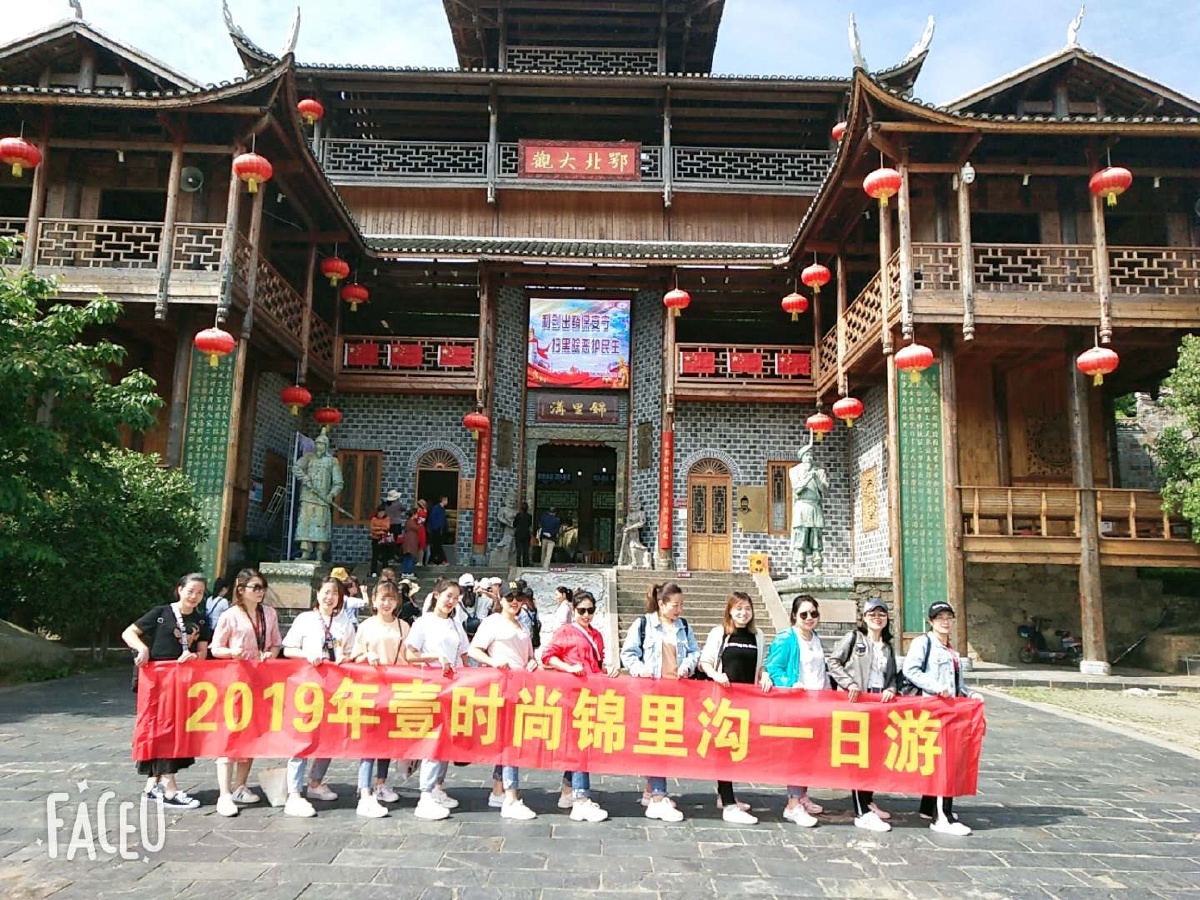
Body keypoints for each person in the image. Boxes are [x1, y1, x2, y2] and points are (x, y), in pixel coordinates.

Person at [122, 572, 211, 810]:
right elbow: (129, 633)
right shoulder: (161, 612)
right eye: (190, 591)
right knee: (161, 730)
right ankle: (170, 788)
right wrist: (142, 649)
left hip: (184, 683)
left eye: (200, 593)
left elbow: (203, 652)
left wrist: (194, 657)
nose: (194, 596)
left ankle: (152, 786)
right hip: (158, 683)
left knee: (175, 731)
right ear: (179, 589)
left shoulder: (202, 620)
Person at [620, 582, 700, 822]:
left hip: (676, 693)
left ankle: (651, 791)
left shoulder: (684, 626)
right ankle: (658, 796)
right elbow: (628, 653)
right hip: (651, 694)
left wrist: (687, 666)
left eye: (682, 605)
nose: (679, 610)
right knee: (658, 743)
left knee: (665, 744)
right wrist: (640, 669)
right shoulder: (643, 624)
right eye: (675, 605)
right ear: (661, 604)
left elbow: (695, 652)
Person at [903, 601, 983, 837]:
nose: (945, 622)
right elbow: (911, 670)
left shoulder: (951, 651)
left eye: (949, 617)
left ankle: (928, 808)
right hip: (933, 711)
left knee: (941, 761)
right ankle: (942, 816)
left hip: (950, 712)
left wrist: (970, 694)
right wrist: (936, 687)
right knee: (944, 764)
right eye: (940, 618)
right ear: (930, 621)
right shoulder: (923, 643)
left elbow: (957, 684)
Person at [279, 576, 357, 817]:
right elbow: (287, 649)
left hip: (334, 687)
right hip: (307, 686)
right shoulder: (305, 619)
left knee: (329, 736)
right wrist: (307, 654)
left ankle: (315, 782)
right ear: (318, 594)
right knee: (302, 737)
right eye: (326, 592)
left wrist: (345, 658)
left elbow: (352, 651)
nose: (329, 597)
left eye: (335, 593)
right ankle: (294, 793)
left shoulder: (345, 622)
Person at [209, 568, 282, 817]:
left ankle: (241, 785)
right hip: (235, 680)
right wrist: (232, 653)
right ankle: (224, 792)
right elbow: (216, 648)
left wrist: (270, 654)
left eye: (263, 587)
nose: (260, 592)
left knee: (252, 734)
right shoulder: (230, 615)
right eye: (255, 587)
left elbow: (276, 643)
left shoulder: (269, 613)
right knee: (230, 733)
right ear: (241, 590)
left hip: (260, 679)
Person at [540, 590, 618, 822]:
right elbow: (548, 656)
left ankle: (568, 791)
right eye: (582, 610)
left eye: (590, 610)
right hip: (572, 696)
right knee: (579, 746)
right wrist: (569, 668)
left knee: (582, 745)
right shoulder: (565, 631)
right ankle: (581, 798)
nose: (586, 615)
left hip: (591, 695)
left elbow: (598, 663)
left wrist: (608, 671)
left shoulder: (597, 635)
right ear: (574, 610)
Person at [698, 591, 772, 825]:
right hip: (723, 700)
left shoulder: (758, 635)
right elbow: (705, 662)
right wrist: (716, 675)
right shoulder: (720, 633)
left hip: (746, 702)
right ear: (730, 611)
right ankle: (729, 803)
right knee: (724, 748)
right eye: (739, 608)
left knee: (736, 748)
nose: (743, 613)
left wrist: (765, 675)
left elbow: (760, 665)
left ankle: (725, 795)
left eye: (747, 608)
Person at [826, 596, 898, 833]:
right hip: (857, 703)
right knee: (859, 756)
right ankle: (861, 811)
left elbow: (892, 676)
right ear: (864, 617)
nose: (877, 618)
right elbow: (833, 662)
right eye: (872, 614)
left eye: (881, 614)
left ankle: (868, 800)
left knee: (874, 755)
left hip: (879, 703)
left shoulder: (887, 647)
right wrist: (849, 683)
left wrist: (891, 688)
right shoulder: (854, 638)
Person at [470, 586, 540, 820]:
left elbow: (529, 656)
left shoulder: (523, 626)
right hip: (501, 685)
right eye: (510, 598)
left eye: (518, 598)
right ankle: (511, 796)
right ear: (501, 599)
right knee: (510, 739)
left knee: (511, 739)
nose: (514, 602)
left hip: (520, 687)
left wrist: (532, 662)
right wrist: (493, 662)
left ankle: (498, 790)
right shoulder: (492, 622)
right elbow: (475, 649)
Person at [404, 579, 470, 820]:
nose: (451, 601)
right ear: (436, 595)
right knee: (433, 740)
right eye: (448, 595)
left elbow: (464, 655)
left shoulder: (455, 624)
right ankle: (425, 795)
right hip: (430, 686)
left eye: (455, 598)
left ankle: (436, 787)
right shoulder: (423, 622)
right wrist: (435, 657)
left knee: (445, 741)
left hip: (452, 688)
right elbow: (410, 654)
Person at [349, 579, 410, 817]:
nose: (387, 603)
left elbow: (408, 658)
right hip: (371, 689)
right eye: (383, 598)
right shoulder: (366, 626)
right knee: (369, 741)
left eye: (391, 599)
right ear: (374, 601)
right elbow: (355, 656)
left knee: (387, 739)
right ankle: (364, 791)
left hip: (396, 689)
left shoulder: (403, 626)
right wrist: (367, 656)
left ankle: (381, 784)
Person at [764, 594, 826, 827]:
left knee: (810, 752)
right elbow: (773, 668)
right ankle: (792, 804)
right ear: (794, 616)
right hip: (796, 704)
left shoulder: (816, 638)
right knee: (798, 753)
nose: (809, 618)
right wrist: (791, 684)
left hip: (817, 703)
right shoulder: (786, 638)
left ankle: (802, 795)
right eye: (804, 614)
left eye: (814, 613)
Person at [294, 432, 344, 561]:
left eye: (321, 444)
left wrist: (331, 494)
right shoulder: (308, 457)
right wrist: (305, 478)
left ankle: (319, 553)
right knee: (305, 525)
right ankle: (305, 552)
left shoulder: (332, 461)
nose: (318, 447)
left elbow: (338, 483)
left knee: (321, 526)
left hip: (323, 499)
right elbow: (296, 468)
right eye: (317, 444)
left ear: (326, 446)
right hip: (307, 496)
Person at [369, 505, 393, 576]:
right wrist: (381, 529)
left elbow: (387, 527)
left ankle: (385, 572)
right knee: (375, 556)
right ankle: (373, 571)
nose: (381, 514)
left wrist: (378, 528)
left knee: (385, 556)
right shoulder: (374, 519)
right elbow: (372, 529)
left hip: (384, 539)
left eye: (383, 512)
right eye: (380, 512)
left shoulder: (387, 518)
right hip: (375, 539)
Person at [427, 496, 449, 565]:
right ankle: (441, 560)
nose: (447, 502)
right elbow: (432, 518)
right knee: (437, 546)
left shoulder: (442, 509)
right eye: (446, 500)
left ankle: (433, 561)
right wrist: (436, 528)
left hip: (440, 529)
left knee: (437, 546)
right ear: (443, 500)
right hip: (436, 530)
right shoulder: (436, 508)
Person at [402, 506, 423, 575]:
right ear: (413, 514)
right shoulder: (411, 522)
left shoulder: (409, 521)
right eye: (416, 514)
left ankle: (405, 571)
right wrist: (420, 523)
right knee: (410, 557)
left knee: (407, 557)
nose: (417, 515)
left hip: (408, 541)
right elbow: (417, 528)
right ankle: (408, 571)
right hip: (410, 542)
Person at [513, 501, 533, 567]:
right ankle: (525, 563)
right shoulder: (529, 516)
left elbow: (514, 524)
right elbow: (529, 524)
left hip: (518, 534)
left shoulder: (518, 515)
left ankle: (518, 563)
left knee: (518, 550)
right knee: (525, 550)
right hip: (526, 534)